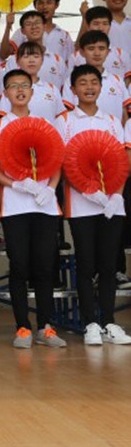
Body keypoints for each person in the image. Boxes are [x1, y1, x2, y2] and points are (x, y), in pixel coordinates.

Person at [0, 69, 66, 348]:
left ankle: (46, 326)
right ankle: (22, 327)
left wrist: (49, 188)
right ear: (4, 93)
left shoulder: (45, 124)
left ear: (32, 91)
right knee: (19, 265)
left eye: (24, 85)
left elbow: (56, 163)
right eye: (13, 86)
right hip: (15, 205)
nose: (19, 90)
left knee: (44, 266)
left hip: (44, 206)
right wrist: (14, 185)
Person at [56, 64, 131, 345]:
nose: (88, 87)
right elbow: (64, 164)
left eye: (93, 82)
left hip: (111, 203)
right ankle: (90, 323)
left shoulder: (112, 120)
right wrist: (90, 193)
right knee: (86, 264)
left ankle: (110, 322)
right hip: (81, 204)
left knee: (108, 264)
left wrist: (115, 195)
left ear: (101, 87)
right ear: (73, 89)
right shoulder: (64, 120)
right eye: (82, 83)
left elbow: (122, 162)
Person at [62, 31, 130, 120]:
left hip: (114, 132)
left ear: (108, 52)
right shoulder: (71, 80)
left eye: (101, 48)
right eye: (91, 48)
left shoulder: (117, 80)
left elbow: (124, 113)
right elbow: (68, 111)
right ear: (82, 52)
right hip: (83, 132)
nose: (97, 53)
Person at [0, 42, 66, 124]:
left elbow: (61, 119)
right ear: (17, 61)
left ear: (42, 61)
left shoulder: (52, 89)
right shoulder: (11, 89)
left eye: (36, 56)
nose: (31, 60)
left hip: (48, 135)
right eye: (26, 57)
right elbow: (4, 119)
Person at [2, 11, 66, 89]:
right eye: (28, 24)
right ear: (22, 31)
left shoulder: (57, 60)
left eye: (37, 22)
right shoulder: (13, 60)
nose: (34, 27)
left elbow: (64, 90)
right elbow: (8, 89)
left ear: (44, 26)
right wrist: (8, 26)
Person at [72, 6, 131, 82]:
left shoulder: (122, 55)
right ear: (88, 26)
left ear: (110, 26)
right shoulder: (76, 57)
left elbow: (127, 82)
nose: (101, 28)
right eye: (96, 23)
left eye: (105, 24)